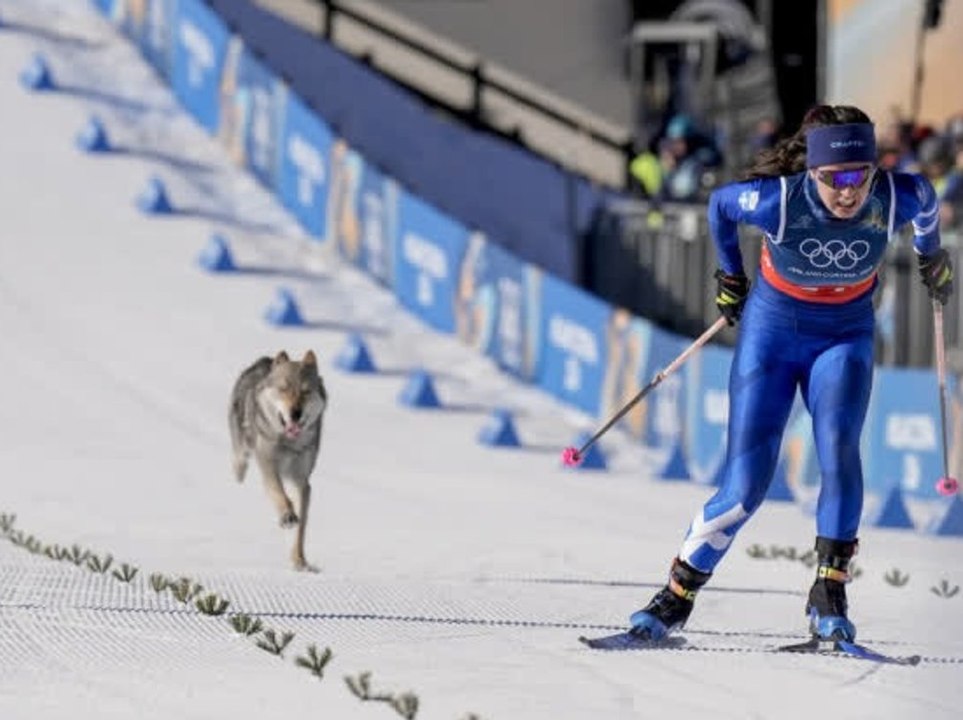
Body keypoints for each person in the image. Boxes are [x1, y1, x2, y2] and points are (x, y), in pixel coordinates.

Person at [629, 104, 955, 643]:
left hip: (844, 335)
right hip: (773, 335)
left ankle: (829, 593)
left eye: (859, 177)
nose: (848, 192)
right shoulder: (779, 201)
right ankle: (677, 595)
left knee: (839, 452)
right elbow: (719, 207)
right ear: (811, 172)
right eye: (834, 179)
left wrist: (930, 256)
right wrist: (731, 277)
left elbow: (926, 206)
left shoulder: (897, 195)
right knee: (747, 483)